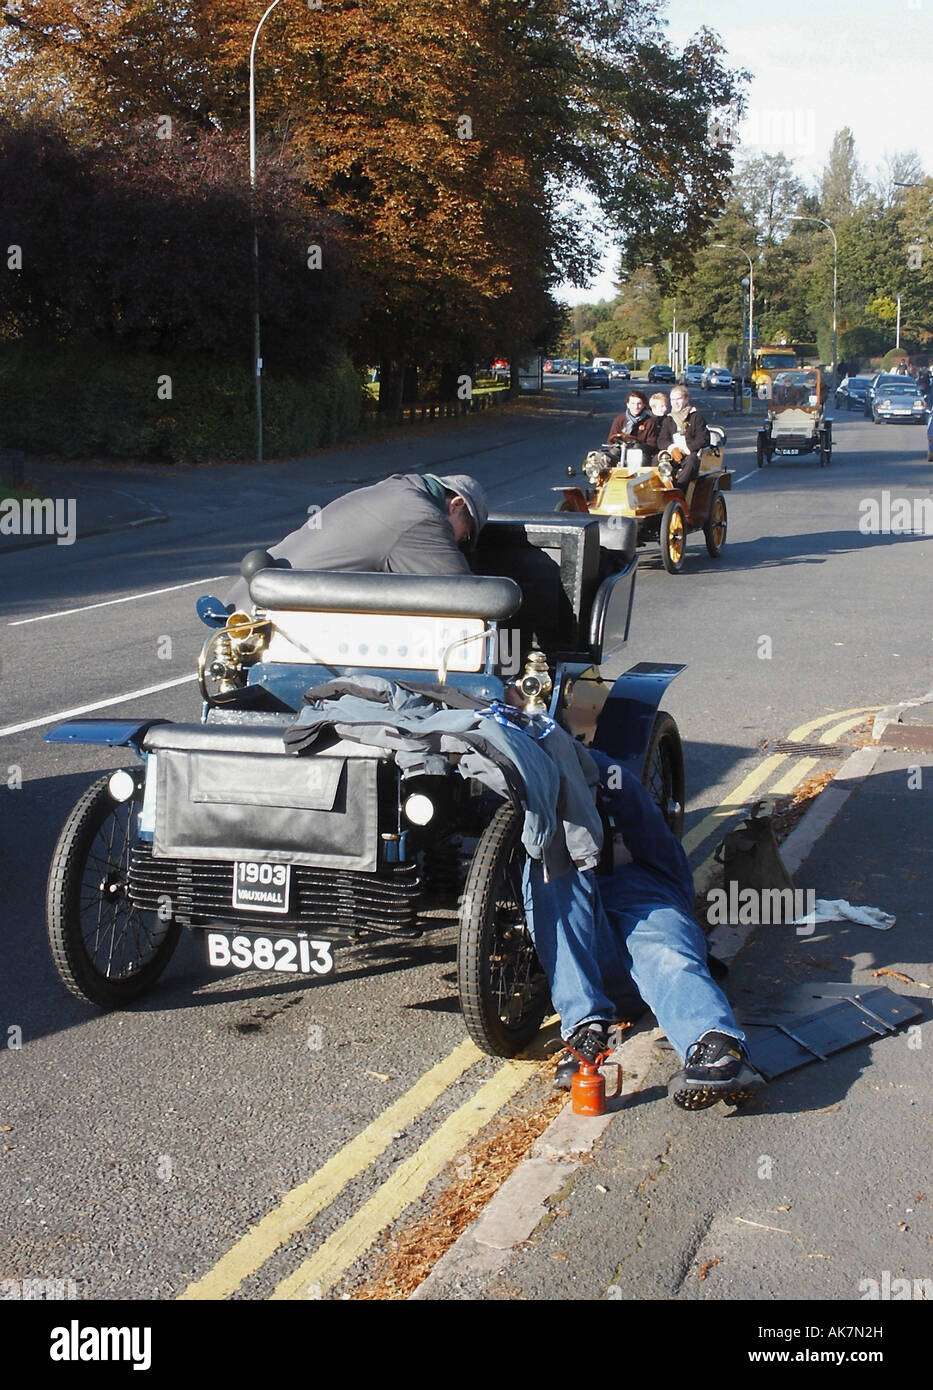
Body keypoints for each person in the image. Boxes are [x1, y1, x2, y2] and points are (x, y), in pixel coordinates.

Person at [525, 750, 765, 1110]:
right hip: (589, 963)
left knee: (662, 948)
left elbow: (646, 829)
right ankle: (586, 1030)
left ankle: (715, 1044)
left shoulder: (612, 786)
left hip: (643, 924)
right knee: (551, 869)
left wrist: (589, 771)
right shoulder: (555, 875)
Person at [225, 472, 488, 608]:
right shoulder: (421, 517)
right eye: (464, 536)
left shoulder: (395, 490)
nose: (457, 544)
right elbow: (460, 597)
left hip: (248, 604)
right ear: (456, 504)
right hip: (269, 620)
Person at [656, 386, 710, 489]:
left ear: (686, 399)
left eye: (678, 399)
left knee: (691, 462)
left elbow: (703, 438)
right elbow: (661, 440)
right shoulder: (668, 419)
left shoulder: (696, 417)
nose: (675, 403)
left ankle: (680, 490)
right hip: (672, 454)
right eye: (672, 400)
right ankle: (659, 490)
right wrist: (672, 448)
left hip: (690, 453)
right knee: (656, 461)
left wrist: (685, 450)